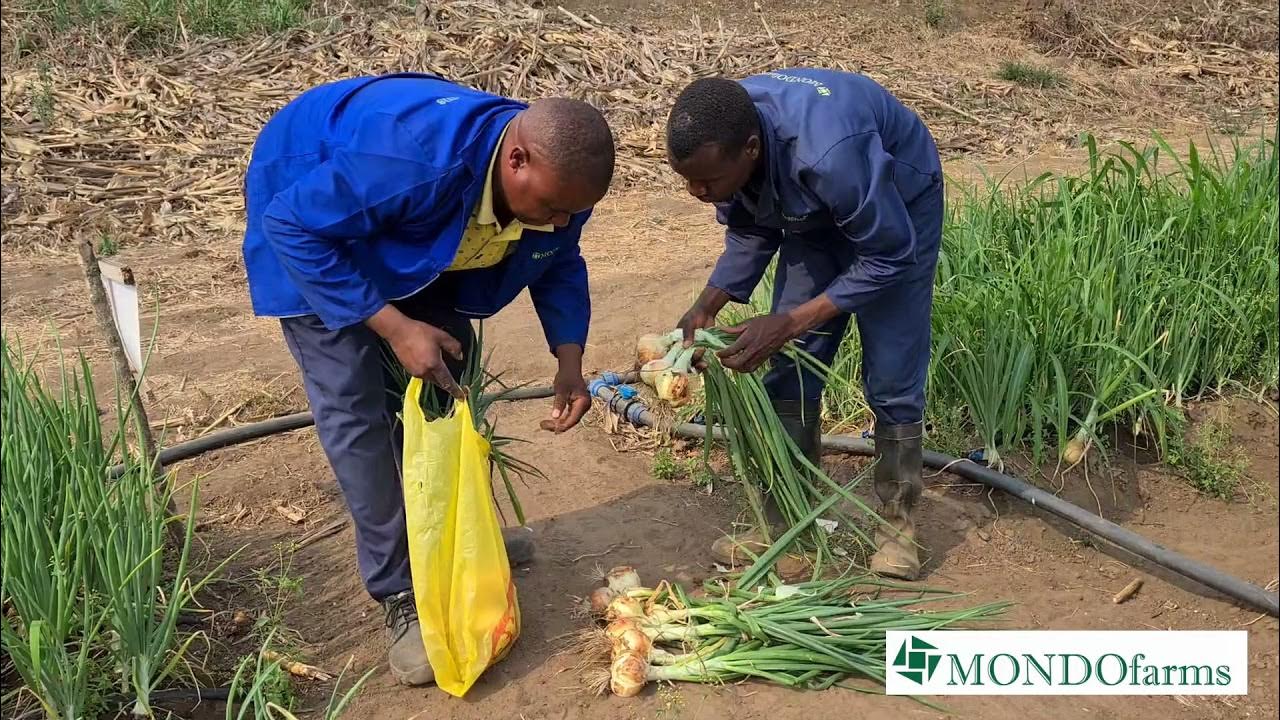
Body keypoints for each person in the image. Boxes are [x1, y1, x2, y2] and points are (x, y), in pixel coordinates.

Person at [241, 73, 615, 686]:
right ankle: (400, 592)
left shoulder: (560, 182)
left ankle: (460, 543)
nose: (557, 221)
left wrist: (569, 359)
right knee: (358, 410)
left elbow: (560, 260)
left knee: (447, 381)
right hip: (311, 220)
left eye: (570, 211)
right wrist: (393, 327)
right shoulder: (410, 159)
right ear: (514, 159)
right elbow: (293, 226)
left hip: (413, 232)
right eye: (549, 208)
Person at [665, 69, 943, 581]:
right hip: (813, 214)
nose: (697, 192)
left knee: (892, 366)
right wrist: (707, 305)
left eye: (707, 182)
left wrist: (789, 321)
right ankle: (789, 523)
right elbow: (750, 228)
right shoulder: (721, 130)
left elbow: (888, 257)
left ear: (750, 150)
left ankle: (898, 521)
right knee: (789, 368)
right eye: (687, 180)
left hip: (895, 213)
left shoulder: (827, 153)